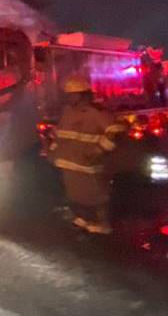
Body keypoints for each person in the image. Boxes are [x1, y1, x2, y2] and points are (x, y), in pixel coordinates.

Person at [49, 74, 124, 234]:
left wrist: (98, 151)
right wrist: (53, 151)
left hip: (88, 164)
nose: (68, 98)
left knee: (96, 195)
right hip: (70, 162)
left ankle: (102, 223)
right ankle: (83, 219)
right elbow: (61, 135)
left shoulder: (96, 112)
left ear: (81, 95)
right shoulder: (68, 112)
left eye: (71, 95)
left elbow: (115, 131)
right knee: (76, 194)